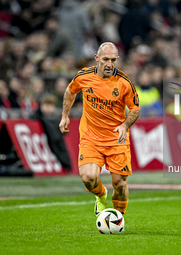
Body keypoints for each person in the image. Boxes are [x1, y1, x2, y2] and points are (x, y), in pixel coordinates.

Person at [59, 42, 140, 216]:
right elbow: (70, 91)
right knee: (88, 179)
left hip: (116, 138)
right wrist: (65, 116)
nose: (109, 64)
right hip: (91, 137)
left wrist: (124, 125)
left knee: (119, 184)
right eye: (105, 60)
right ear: (97, 59)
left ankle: (118, 218)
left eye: (113, 60)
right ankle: (101, 195)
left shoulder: (124, 82)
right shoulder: (84, 76)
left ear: (117, 60)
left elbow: (135, 108)